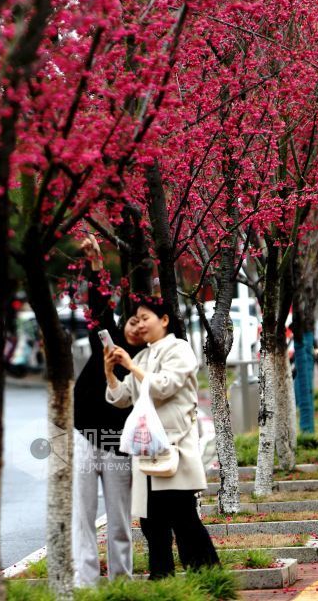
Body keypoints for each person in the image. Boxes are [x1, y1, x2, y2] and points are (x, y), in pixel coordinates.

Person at [104, 297, 220, 580]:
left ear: (164, 320)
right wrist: (110, 372)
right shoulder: (142, 358)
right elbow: (122, 398)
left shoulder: (179, 349)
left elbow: (164, 386)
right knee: (152, 523)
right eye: (137, 320)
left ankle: (207, 577)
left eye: (146, 318)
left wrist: (131, 367)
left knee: (184, 519)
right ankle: (162, 581)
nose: (140, 325)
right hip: (148, 451)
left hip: (174, 448)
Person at [72, 235, 146, 586]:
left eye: (143, 323)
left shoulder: (145, 361)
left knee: (118, 521)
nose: (136, 327)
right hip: (85, 435)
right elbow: (100, 309)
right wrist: (95, 264)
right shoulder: (109, 341)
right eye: (132, 321)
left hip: (119, 444)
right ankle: (85, 584)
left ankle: (122, 583)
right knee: (82, 517)